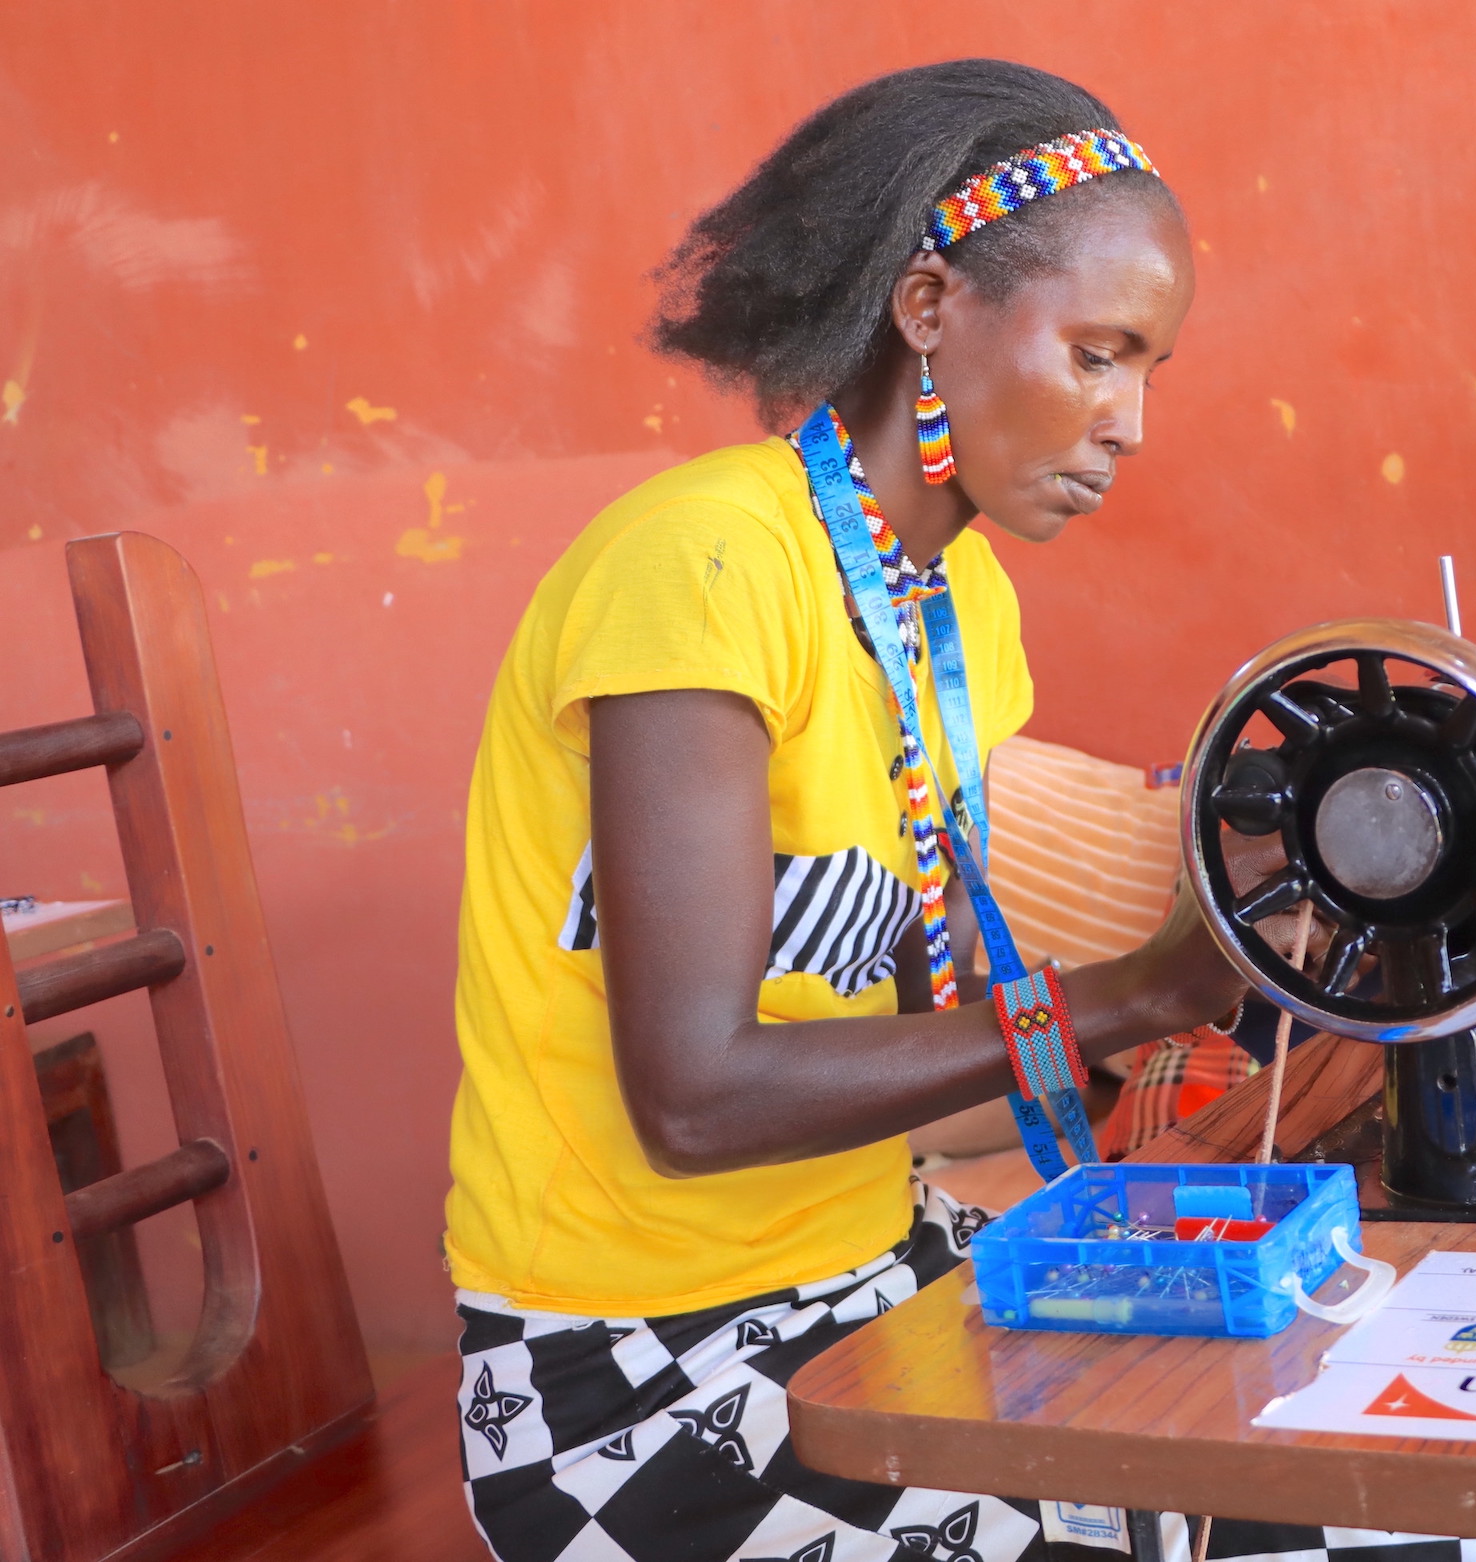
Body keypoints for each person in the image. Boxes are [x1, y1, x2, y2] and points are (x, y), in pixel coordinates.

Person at [440, 60, 1252, 1562]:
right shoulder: (703, 567)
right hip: (637, 1379)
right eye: (1098, 352)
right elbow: (694, 1100)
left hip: (877, 1280)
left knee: (1320, 1473)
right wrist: (1131, 994)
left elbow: (921, 1044)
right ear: (929, 303)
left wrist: (1203, 1002)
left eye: (1148, 371)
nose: (1129, 421)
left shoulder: (963, 610)